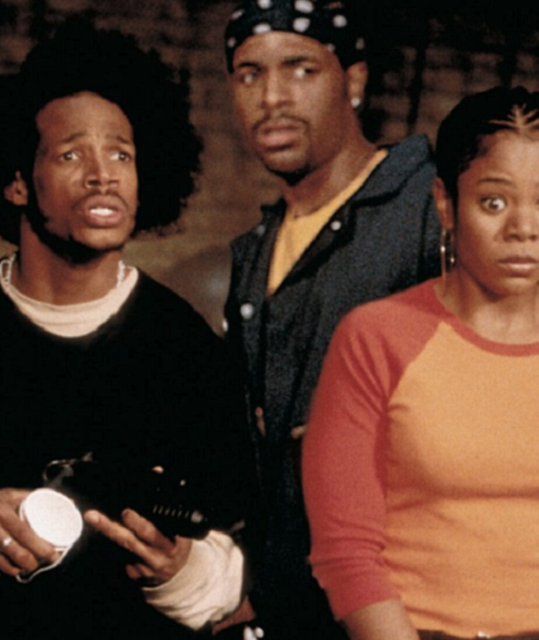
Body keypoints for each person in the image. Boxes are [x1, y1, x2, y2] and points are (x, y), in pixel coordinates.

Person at [0, 23, 254, 640]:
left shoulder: (190, 354)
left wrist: (179, 570)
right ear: (17, 181)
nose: (102, 176)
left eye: (120, 154)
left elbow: (237, 567)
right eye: (71, 155)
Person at [303, 86, 539, 640]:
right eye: (494, 202)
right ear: (446, 203)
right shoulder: (374, 338)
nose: (523, 228)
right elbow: (345, 551)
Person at [220, 1, 442, 637]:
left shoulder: (429, 209)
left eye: (300, 69)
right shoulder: (255, 252)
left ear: (354, 80)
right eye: (249, 74)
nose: (272, 98)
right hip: (292, 606)